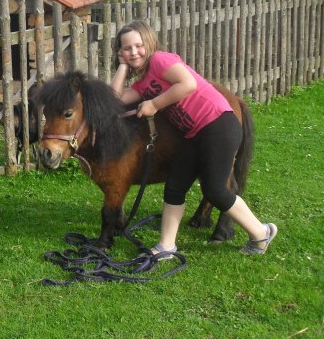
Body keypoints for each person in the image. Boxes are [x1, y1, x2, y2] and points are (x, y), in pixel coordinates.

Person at [109, 20, 277, 258]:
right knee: (175, 186)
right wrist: (123, 67)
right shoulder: (142, 83)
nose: (134, 51)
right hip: (195, 133)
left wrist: (154, 104)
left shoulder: (160, 60)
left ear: (149, 43)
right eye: (127, 48)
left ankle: (262, 233)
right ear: (120, 51)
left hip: (218, 123)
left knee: (216, 190)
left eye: (138, 45)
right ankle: (166, 246)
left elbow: (188, 83)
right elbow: (114, 99)